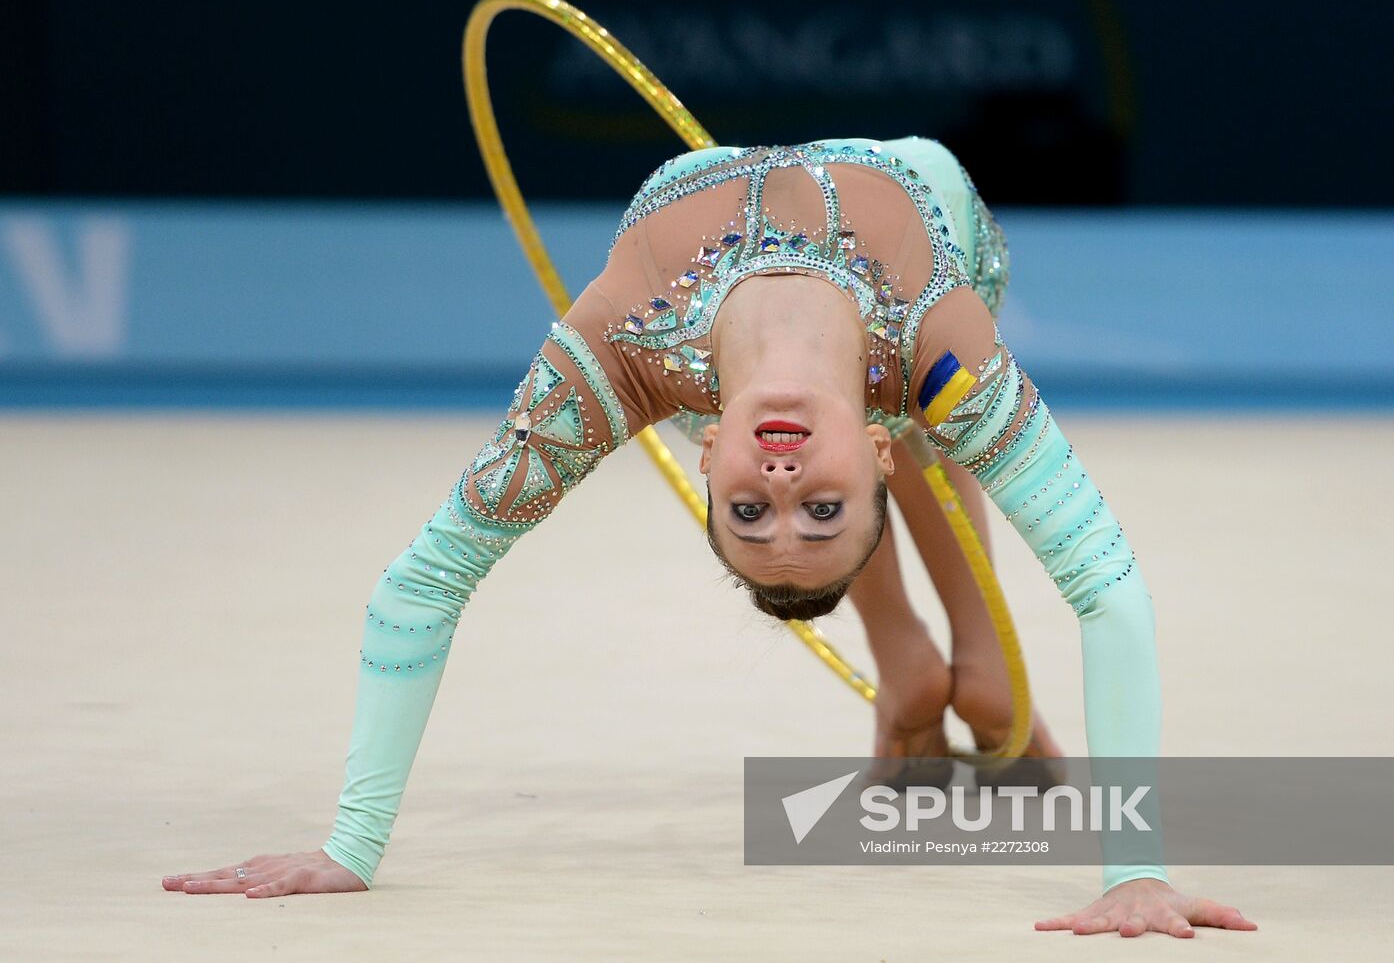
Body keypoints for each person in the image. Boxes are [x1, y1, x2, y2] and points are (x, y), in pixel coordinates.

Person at [161, 137, 1256, 938]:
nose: (777, 483)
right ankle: (952, 664)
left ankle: (934, 666)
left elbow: (421, 580)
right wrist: (1135, 870)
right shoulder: (934, 330)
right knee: (913, 405)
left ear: (702, 468)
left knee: (901, 411)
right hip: (933, 205)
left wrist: (349, 843)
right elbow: (1108, 587)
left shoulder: (617, 369)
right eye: (808, 508)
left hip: (759, 377)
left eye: (752, 510)